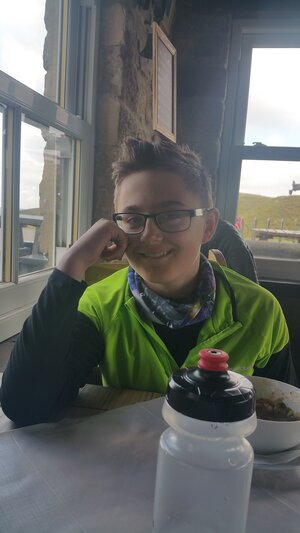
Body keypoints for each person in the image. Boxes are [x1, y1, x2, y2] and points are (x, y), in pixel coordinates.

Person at [0, 136, 297, 425]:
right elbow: (26, 407)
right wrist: (70, 265)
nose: (150, 235)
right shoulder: (99, 306)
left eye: (172, 215)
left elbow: (283, 414)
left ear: (208, 226)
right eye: (132, 219)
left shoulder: (260, 311)